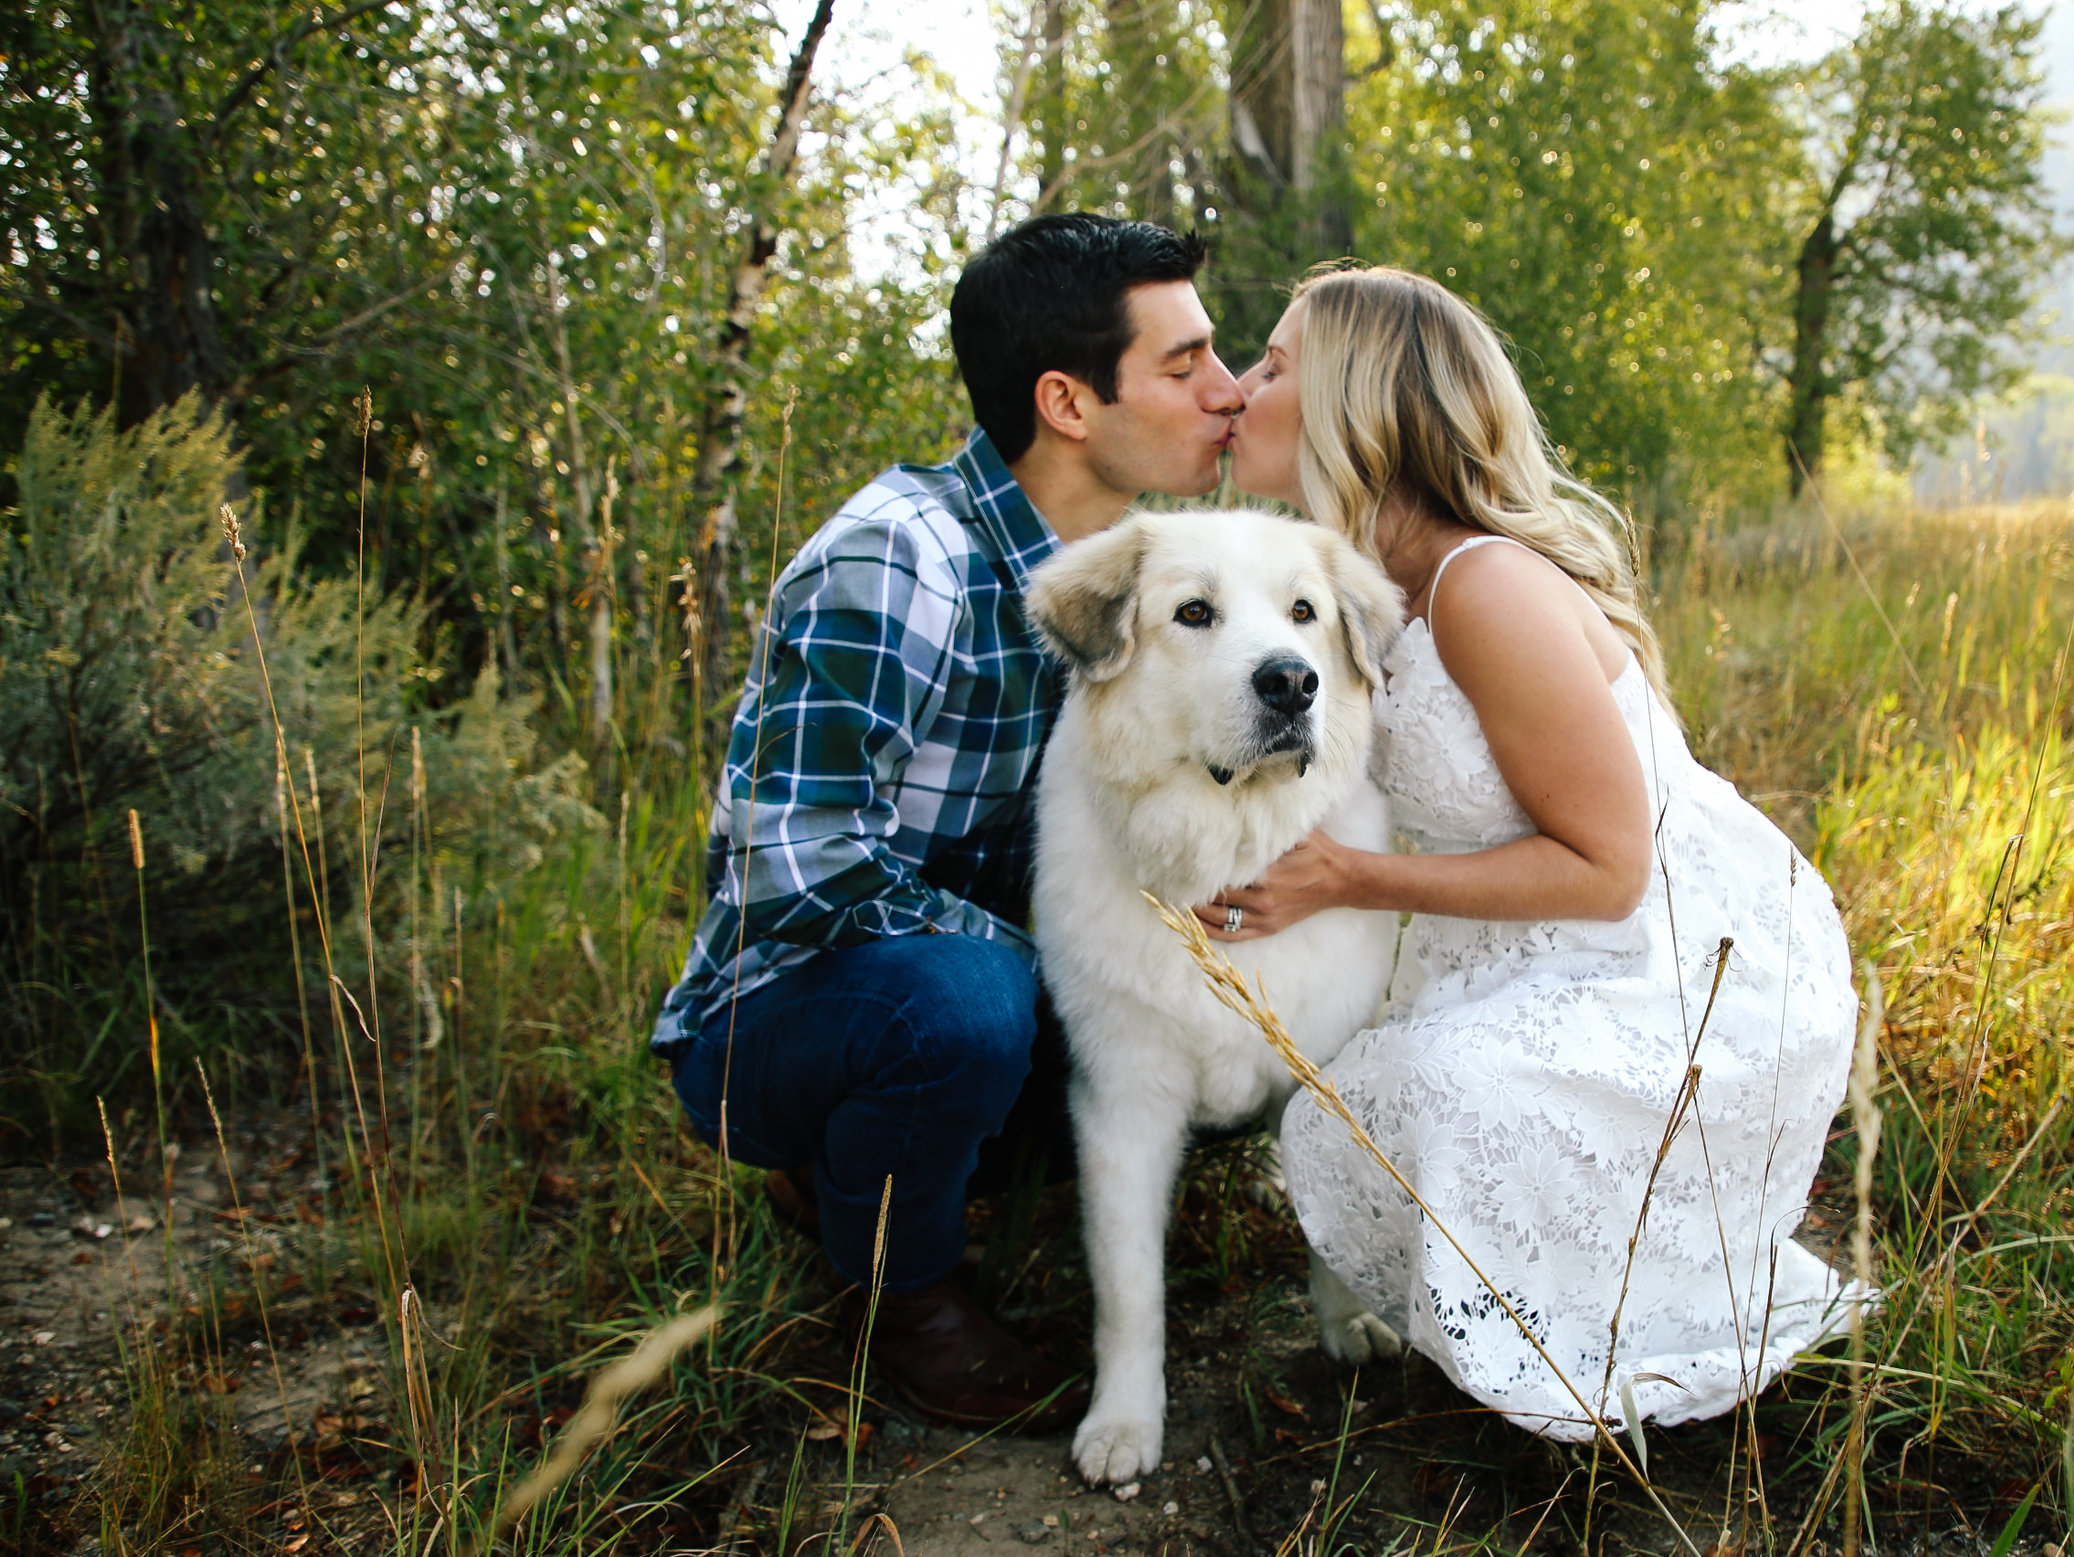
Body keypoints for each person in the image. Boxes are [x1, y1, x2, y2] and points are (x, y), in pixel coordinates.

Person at [1210, 266, 1866, 1438]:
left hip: (1677, 953)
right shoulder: (1361, 586)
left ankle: (1589, 1357)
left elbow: (1612, 868)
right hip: (1522, 939)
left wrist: (1351, 883)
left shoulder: (1482, 585)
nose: (1238, 391)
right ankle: (1530, 1321)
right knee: (1364, 1087)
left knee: (1431, 1088)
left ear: (1349, 404)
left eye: (1270, 365)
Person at [652, 213, 1243, 1429]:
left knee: (1206, 995)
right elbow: (788, 861)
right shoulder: (897, 556)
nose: (1226, 394)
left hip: (967, 962)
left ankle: (885, 1169)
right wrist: (1048, 969)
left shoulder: (1152, 571)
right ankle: (902, 1294)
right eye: (1183, 366)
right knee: (967, 1003)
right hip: (788, 1011)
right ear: (1068, 404)